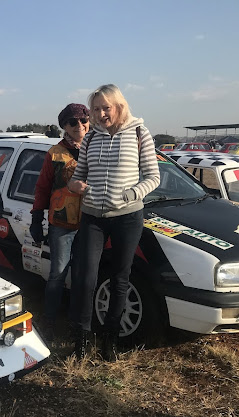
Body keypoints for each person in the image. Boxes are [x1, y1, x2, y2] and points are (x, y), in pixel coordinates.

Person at [67, 84, 160, 361]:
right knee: (86, 278)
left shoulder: (139, 133)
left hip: (127, 217)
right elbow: (78, 176)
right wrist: (76, 185)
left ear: (119, 106)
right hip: (93, 216)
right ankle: (82, 338)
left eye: (106, 107)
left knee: (120, 279)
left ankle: (111, 338)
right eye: (96, 109)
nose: (101, 113)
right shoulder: (91, 138)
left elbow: (153, 177)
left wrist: (131, 194)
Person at [29, 103, 90, 344]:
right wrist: (37, 217)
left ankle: (78, 323)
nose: (80, 126)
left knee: (84, 275)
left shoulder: (96, 149)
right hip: (62, 223)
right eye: (73, 122)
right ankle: (50, 321)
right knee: (58, 274)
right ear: (64, 125)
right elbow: (42, 187)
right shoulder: (54, 153)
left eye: (84, 120)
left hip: (90, 223)